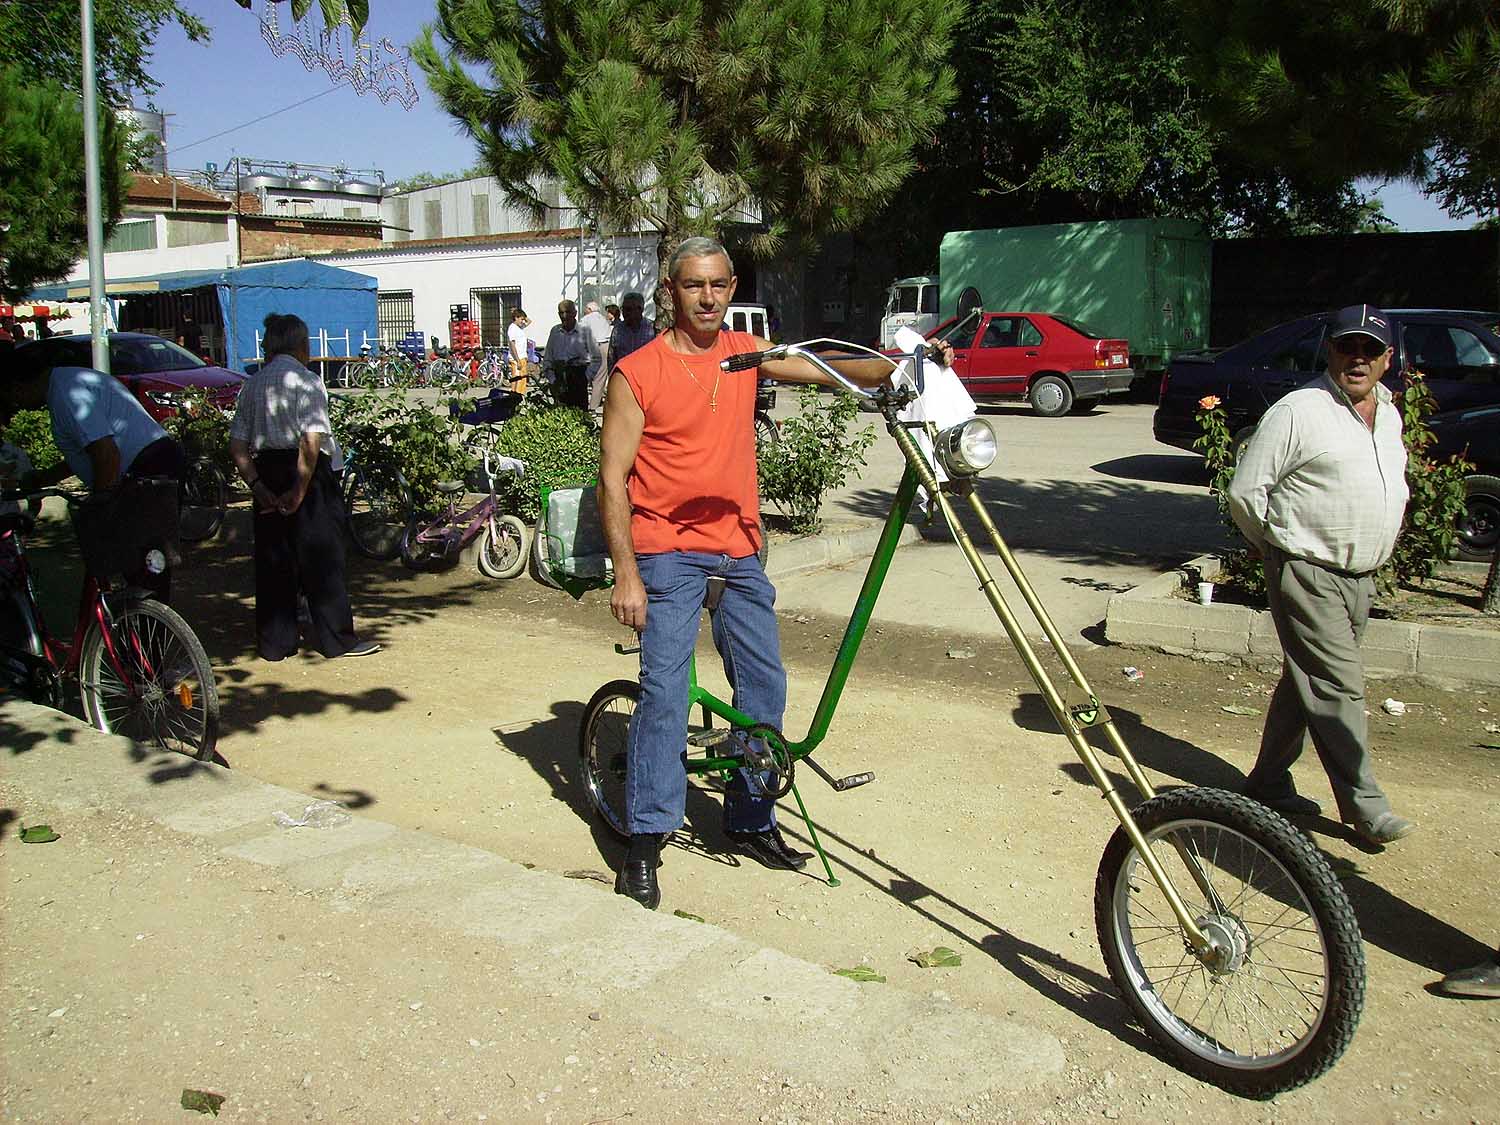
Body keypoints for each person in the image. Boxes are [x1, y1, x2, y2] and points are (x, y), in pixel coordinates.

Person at [598, 235, 949, 909]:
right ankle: (644, 839)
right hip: (666, 550)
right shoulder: (637, 372)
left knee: (764, 685)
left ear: (733, 290)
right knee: (667, 694)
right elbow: (613, 478)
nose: (707, 297)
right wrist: (626, 574)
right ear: (670, 290)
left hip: (736, 548)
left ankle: (750, 818)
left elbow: (823, 366)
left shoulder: (742, 356)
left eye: (719, 285)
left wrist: (908, 363)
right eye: (694, 285)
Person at [1227, 303, 1415, 847]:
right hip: (1307, 569)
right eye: (1346, 348)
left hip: (1361, 575)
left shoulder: (1389, 413)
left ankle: (1267, 781)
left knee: (1307, 680)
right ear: (1329, 351)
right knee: (1338, 687)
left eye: (1369, 350)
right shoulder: (1299, 410)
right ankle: (1365, 805)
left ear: (1388, 358)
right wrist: (1276, 548)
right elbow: (1246, 490)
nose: (1357, 359)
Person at [229, 312, 378, 662]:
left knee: (274, 561)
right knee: (322, 558)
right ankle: (335, 639)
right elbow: (311, 440)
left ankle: (275, 642)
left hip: (266, 469)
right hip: (307, 475)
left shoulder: (251, 385)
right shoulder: (307, 381)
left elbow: (237, 446)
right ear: (300, 344)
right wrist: (299, 489)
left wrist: (257, 486)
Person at [0, 343, 187, 600]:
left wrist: (101, 503)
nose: (17, 405)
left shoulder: (67, 393)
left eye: (13, 396)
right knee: (145, 565)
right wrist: (45, 478)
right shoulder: (69, 382)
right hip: (153, 461)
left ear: (19, 386)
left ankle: (146, 632)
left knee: (142, 566)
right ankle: (146, 628)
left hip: (146, 466)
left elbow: (106, 454)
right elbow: (89, 451)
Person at [600, 291, 656, 411]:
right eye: (624, 308)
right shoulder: (618, 329)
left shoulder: (652, 329)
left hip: (646, 384)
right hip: (623, 383)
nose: (625, 313)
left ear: (640, 309)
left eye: (629, 309)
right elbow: (611, 356)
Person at [543, 299, 598, 410]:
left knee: (580, 416)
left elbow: (596, 358)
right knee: (560, 416)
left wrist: (585, 378)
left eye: (567, 312)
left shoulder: (585, 331)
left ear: (575, 313)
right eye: (561, 313)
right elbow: (548, 356)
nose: (564, 316)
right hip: (559, 379)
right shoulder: (555, 331)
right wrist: (552, 379)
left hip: (578, 377)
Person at [580, 300, 613, 397]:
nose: (584, 310)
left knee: (585, 374)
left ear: (589, 309)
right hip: (605, 345)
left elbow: (578, 333)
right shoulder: (603, 318)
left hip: (592, 347)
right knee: (600, 377)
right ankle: (594, 404)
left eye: (586, 308)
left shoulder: (586, 319)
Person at [506, 308, 531, 395]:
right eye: (521, 319)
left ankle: (520, 396)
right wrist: (517, 360)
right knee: (517, 379)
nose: (523, 321)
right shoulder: (512, 328)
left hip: (522, 357)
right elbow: (512, 345)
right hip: (517, 359)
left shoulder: (519, 328)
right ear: (516, 318)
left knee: (523, 379)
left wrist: (519, 311)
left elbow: (529, 321)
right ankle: (515, 396)